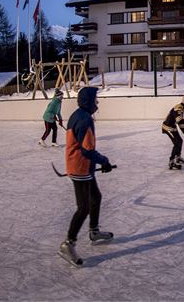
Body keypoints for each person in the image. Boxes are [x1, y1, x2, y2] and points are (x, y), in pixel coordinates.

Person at [58, 87, 113, 268]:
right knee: (83, 207)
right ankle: (68, 244)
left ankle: (94, 232)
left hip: (83, 166)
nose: (97, 102)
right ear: (88, 101)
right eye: (95, 99)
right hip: (80, 168)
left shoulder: (78, 114)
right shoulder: (85, 119)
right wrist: (103, 161)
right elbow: (87, 149)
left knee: (96, 197)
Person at [162, 92, 184, 170]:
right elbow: (179, 120)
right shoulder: (178, 108)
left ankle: (178, 157)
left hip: (172, 127)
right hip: (167, 127)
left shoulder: (181, 108)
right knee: (177, 143)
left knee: (180, 141)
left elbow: (180, 124)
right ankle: (171, 161)